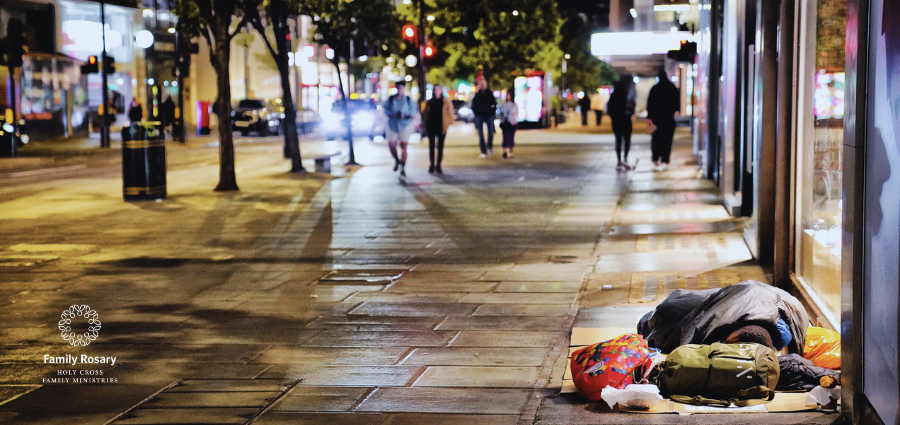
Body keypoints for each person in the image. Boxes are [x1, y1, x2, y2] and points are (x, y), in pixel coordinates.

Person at [646, 69, 680, 170]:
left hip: (656, 120)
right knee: (668, 139)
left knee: (656, 138)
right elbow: (677, 104)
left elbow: (650, 104)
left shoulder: (655, 89)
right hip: (668, 119)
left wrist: (650, 117)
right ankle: (665, 158)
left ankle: (656, 156)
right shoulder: (672, 88)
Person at [383, 81, 418, 176]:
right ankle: (397, 160)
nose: (399, 90)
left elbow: (413, 111)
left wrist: (406, 114)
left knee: (403, 146)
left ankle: (403, 166)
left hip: (405, 124)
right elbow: (385, 109)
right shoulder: (391, 99)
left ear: (403, 88)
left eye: (401, 88)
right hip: (393, 124)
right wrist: (392, 114)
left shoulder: (407, 99)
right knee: (392, 145)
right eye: (398, 87)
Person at [606, 76, 636, 170]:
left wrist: (614, 116)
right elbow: (632, 108)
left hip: (616, 121)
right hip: (626, 120)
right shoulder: (627, 97)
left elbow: (609, 110)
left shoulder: (613, 96)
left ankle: (619, 160)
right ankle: (625, 158)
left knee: (618, 140)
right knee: (627, 140)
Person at [423, 84, 454, 174]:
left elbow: (450, 115)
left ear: (441, 91)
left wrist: (447, 125)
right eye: (435, 90)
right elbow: (424, 113)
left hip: (441, 127)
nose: (436, 91)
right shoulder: (429, 102)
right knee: (431, 147)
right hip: (431, 126)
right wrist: (425, 123)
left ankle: (439, 165)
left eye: (438, 89)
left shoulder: (445, 101)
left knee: (440, 147)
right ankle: (432, 165)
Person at [471, 79, 497, 158]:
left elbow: (494, 103)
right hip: (479, 116)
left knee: (490, 132)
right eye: (481, 84)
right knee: (480, 134)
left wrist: (492, 112)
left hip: (489, 115)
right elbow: (473, 105)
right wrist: (476, 113)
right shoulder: (477, 95)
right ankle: (483, 151)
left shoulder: (489, 93)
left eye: (483, 84)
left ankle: (489, 146)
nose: (482, 85)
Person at [498, 90, 518, 158]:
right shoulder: (503, 104)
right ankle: (505, 151)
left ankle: (511, 151)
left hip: (512, 122)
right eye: (507, 95)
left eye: (509, 95)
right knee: (505, 136)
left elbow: (515, 113)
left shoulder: (514, 104)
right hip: (505, 122)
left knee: (511, 137)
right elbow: (501, 113)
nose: (508, 97)